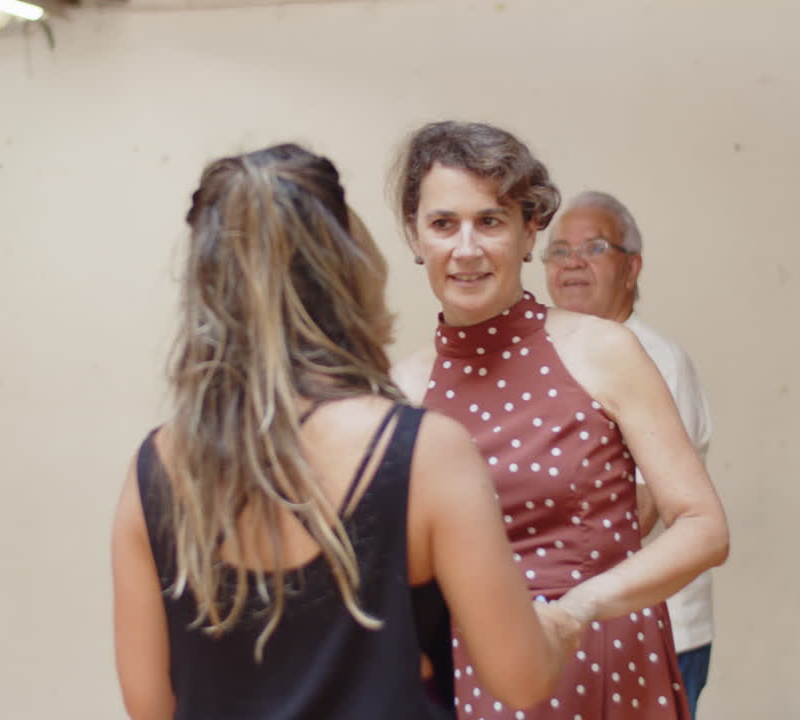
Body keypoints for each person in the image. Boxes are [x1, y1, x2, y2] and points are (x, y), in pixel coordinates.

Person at [111, 143, 580, 720]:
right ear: (346, 264)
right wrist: (560, 622)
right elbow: (523, 677)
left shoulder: (154, 470)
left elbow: (149, 709)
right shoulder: (423, 452)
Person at [390, 122, 729, 720]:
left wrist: (578, 609)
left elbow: (702, 526)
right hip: (465, 677)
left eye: (490, 221)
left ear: (529, 232)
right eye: (444, 224)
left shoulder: (603, 350)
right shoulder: (401, 389)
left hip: (600, 654)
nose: (466, 248)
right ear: (416, 238)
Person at [544, 191, 715, 716]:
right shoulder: (547, 355)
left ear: (632, 266)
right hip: (568, 621)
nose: (572, 262)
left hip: (654, 626)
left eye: (593, 247)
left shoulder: (654, 359)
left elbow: (637, 511)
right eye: (558, 250)